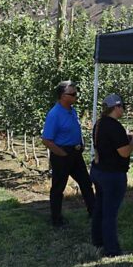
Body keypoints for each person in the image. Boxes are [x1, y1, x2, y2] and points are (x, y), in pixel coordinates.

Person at [91, 94, 133, 257]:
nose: (124, 109)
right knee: (110, 213)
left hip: (99, 171)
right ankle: (112, 249)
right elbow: (124, 152)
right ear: (116, 107)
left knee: (100, 208)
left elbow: (107, 143)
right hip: (112, 174)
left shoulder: (99, 124)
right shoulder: (115, 127)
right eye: (122, 106)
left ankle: (97, 240)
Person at [41, 80, 95, 227]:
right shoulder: (54, 114)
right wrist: (62, 154)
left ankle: (94, 212)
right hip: (62, 155)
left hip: (76, 153)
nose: (76, 96)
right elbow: (46, 140)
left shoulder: (72, 110)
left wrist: (81, 143)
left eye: (76, 93)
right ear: (62, 96)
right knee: (58, 188)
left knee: (86, 183)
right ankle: (56, 220)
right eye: (72, 94)